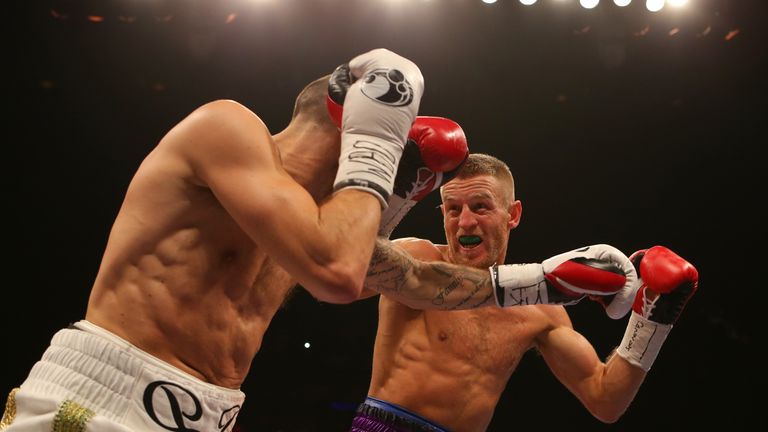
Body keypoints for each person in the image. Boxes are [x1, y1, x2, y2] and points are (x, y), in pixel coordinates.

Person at [0, 48, 471, 432]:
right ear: (345, 129)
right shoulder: (226, 128)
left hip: (207, 411)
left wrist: (536, 283)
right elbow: (340, 274)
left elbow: (389, 279)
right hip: (104, 399)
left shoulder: (308, 224)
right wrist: (377, 147)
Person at [351, 153, 699, 431]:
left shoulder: (540, 310)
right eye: (453, 209)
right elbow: (349, 272)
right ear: (442, 213)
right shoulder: (416, 258)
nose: (466, 222)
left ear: (512, 215)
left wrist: (653, 321)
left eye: (481, 206)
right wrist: (400, 191)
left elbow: (605, 399)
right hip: (386, 424)